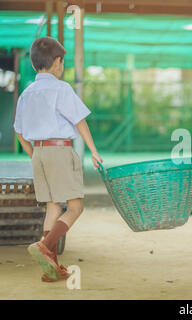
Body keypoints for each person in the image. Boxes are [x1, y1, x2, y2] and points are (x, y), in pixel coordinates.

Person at [13, 36, 103, 282]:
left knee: (53, 206)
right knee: (75, 207)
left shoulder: (26, 94)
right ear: (57, 62)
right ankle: (46, 245)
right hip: (60, 150)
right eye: (62, 62)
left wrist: (35, 156)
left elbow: (19, 132)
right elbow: (79, 121)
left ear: (34, 64)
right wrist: (94, 151)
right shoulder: (61, 88)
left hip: (39, 153)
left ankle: (50, 268)